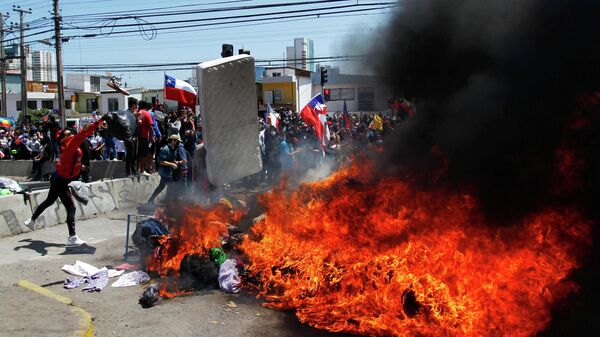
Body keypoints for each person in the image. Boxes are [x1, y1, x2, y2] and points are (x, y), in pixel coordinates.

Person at [23, 115, 109, 246]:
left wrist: (80, 166)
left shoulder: (67, 146)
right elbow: (85, 133)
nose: (71, 134)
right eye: (68, 133)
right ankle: (72, 237)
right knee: (71, 207)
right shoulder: (70, 145)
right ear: (64, 137)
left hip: (58, 178)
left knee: (49, 201)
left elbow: (72, 162)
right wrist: (100, 120)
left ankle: (31, 220)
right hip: (61, 180)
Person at [147, 134, 180, 204]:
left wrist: (177, 162)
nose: (178, 143)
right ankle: (168, 202)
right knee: (171, 186)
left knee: (161, 187)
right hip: (165, 172)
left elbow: (172, 159)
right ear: (173, 141)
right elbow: (161, 161)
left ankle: (151, 200)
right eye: (177, 141)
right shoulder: (165, 149)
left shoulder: (173, 149)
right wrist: (171, 164)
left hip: (169, 172)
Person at [136, 100, 154, 175]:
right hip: (144, 137)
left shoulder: (136, 113)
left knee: (137, 155)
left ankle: (136, 170)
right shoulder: (147, 113)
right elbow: (151, 127)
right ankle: (142, 171)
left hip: (136, 137)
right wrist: (151, 137)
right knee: (144, 155)